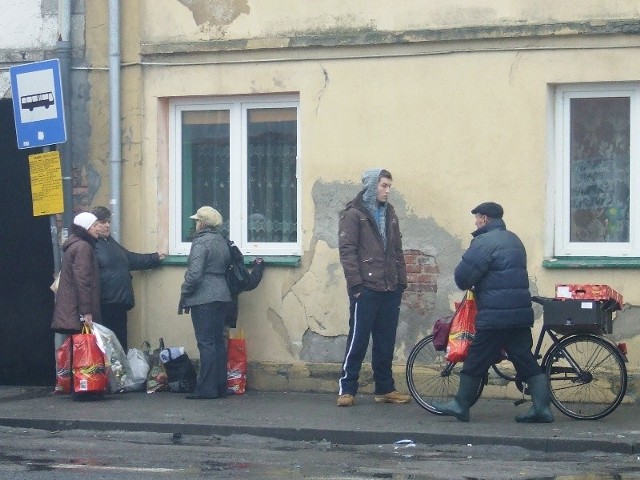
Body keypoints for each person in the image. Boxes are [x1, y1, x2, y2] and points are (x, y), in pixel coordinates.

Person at [432, 202, 554, 423]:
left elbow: (463, 278)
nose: (476, 222)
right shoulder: (514, 240)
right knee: (524, 358)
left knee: (476, 358)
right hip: (519, 313)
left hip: (496, 314)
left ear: (485, 219)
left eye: (477, 218)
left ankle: (460, 404)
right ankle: (542, 408)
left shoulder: (484, 242)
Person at [337, 168, 411, 407]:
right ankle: (347, 389)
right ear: (371, 186)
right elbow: (347, 252)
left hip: (390, 288)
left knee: (385, 341)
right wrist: (356, 286)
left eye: (389, 186)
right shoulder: (354, 214)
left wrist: (401, 281)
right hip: (366, 288)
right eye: (384, 185)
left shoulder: (390, 213)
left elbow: (397, 249)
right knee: (358, 340)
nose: (388, 191)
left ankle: (385, 388)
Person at [91, 206, 165, 351]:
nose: (107, 225)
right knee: (107, 343)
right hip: (105, 302)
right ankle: (109, 372)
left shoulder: (110, 242)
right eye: (102, 222)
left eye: (108, 221)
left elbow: (130, 258)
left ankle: (121, 372)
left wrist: (154, 258)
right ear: (93, 225)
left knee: (120, 340)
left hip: (119, 301)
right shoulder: (91, 244)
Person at [178, 206, 232, 399]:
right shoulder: (221, 241)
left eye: (196, 221)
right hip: (222, 294)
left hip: (204, 297)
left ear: (201, 223)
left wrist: (185, 291)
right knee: (217, 342)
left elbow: (194, 274)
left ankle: (206, 389)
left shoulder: (201, 242)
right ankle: (220, 386)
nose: (195, 224)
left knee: (206, 343)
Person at [51, 211, 102, 350]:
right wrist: (87, 312)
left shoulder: (76, 245)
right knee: (84, 352)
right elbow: (83, 281)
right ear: (85, 228)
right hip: (78, 312)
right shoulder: (83, 247)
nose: (99, 228)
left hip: (73, 310)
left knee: (77, 349)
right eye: (95, 225)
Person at [224, 258, 265, 329]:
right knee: (221, 337)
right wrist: (258, 265)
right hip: (226, 315)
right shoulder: (231, 272)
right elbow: (250, 283)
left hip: (207, 314)